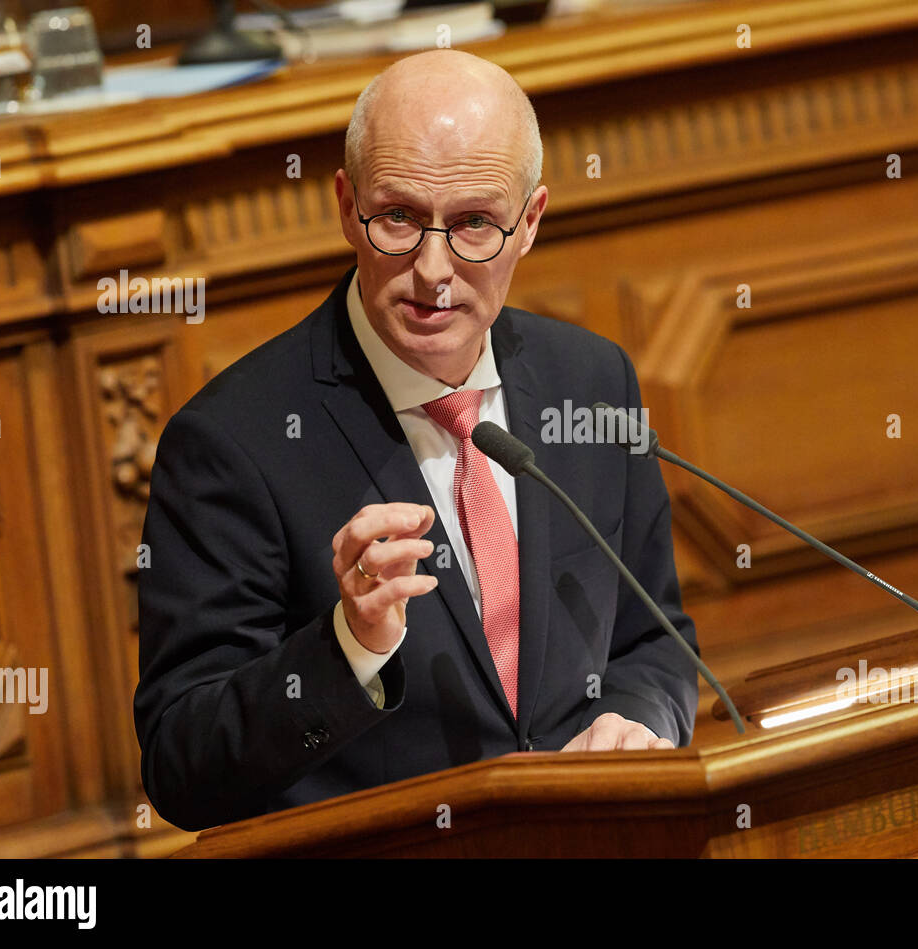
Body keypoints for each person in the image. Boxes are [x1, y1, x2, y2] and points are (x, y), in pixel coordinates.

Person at [133, 49, 698, 833]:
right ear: (346, 205)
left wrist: (642, 723)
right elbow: (181, 766)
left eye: (473, 224)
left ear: (529, 221)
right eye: (398, 217)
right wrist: (347, 647)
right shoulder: (232, 445)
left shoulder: (593, 384)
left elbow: (658, 641)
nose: (433, 271)